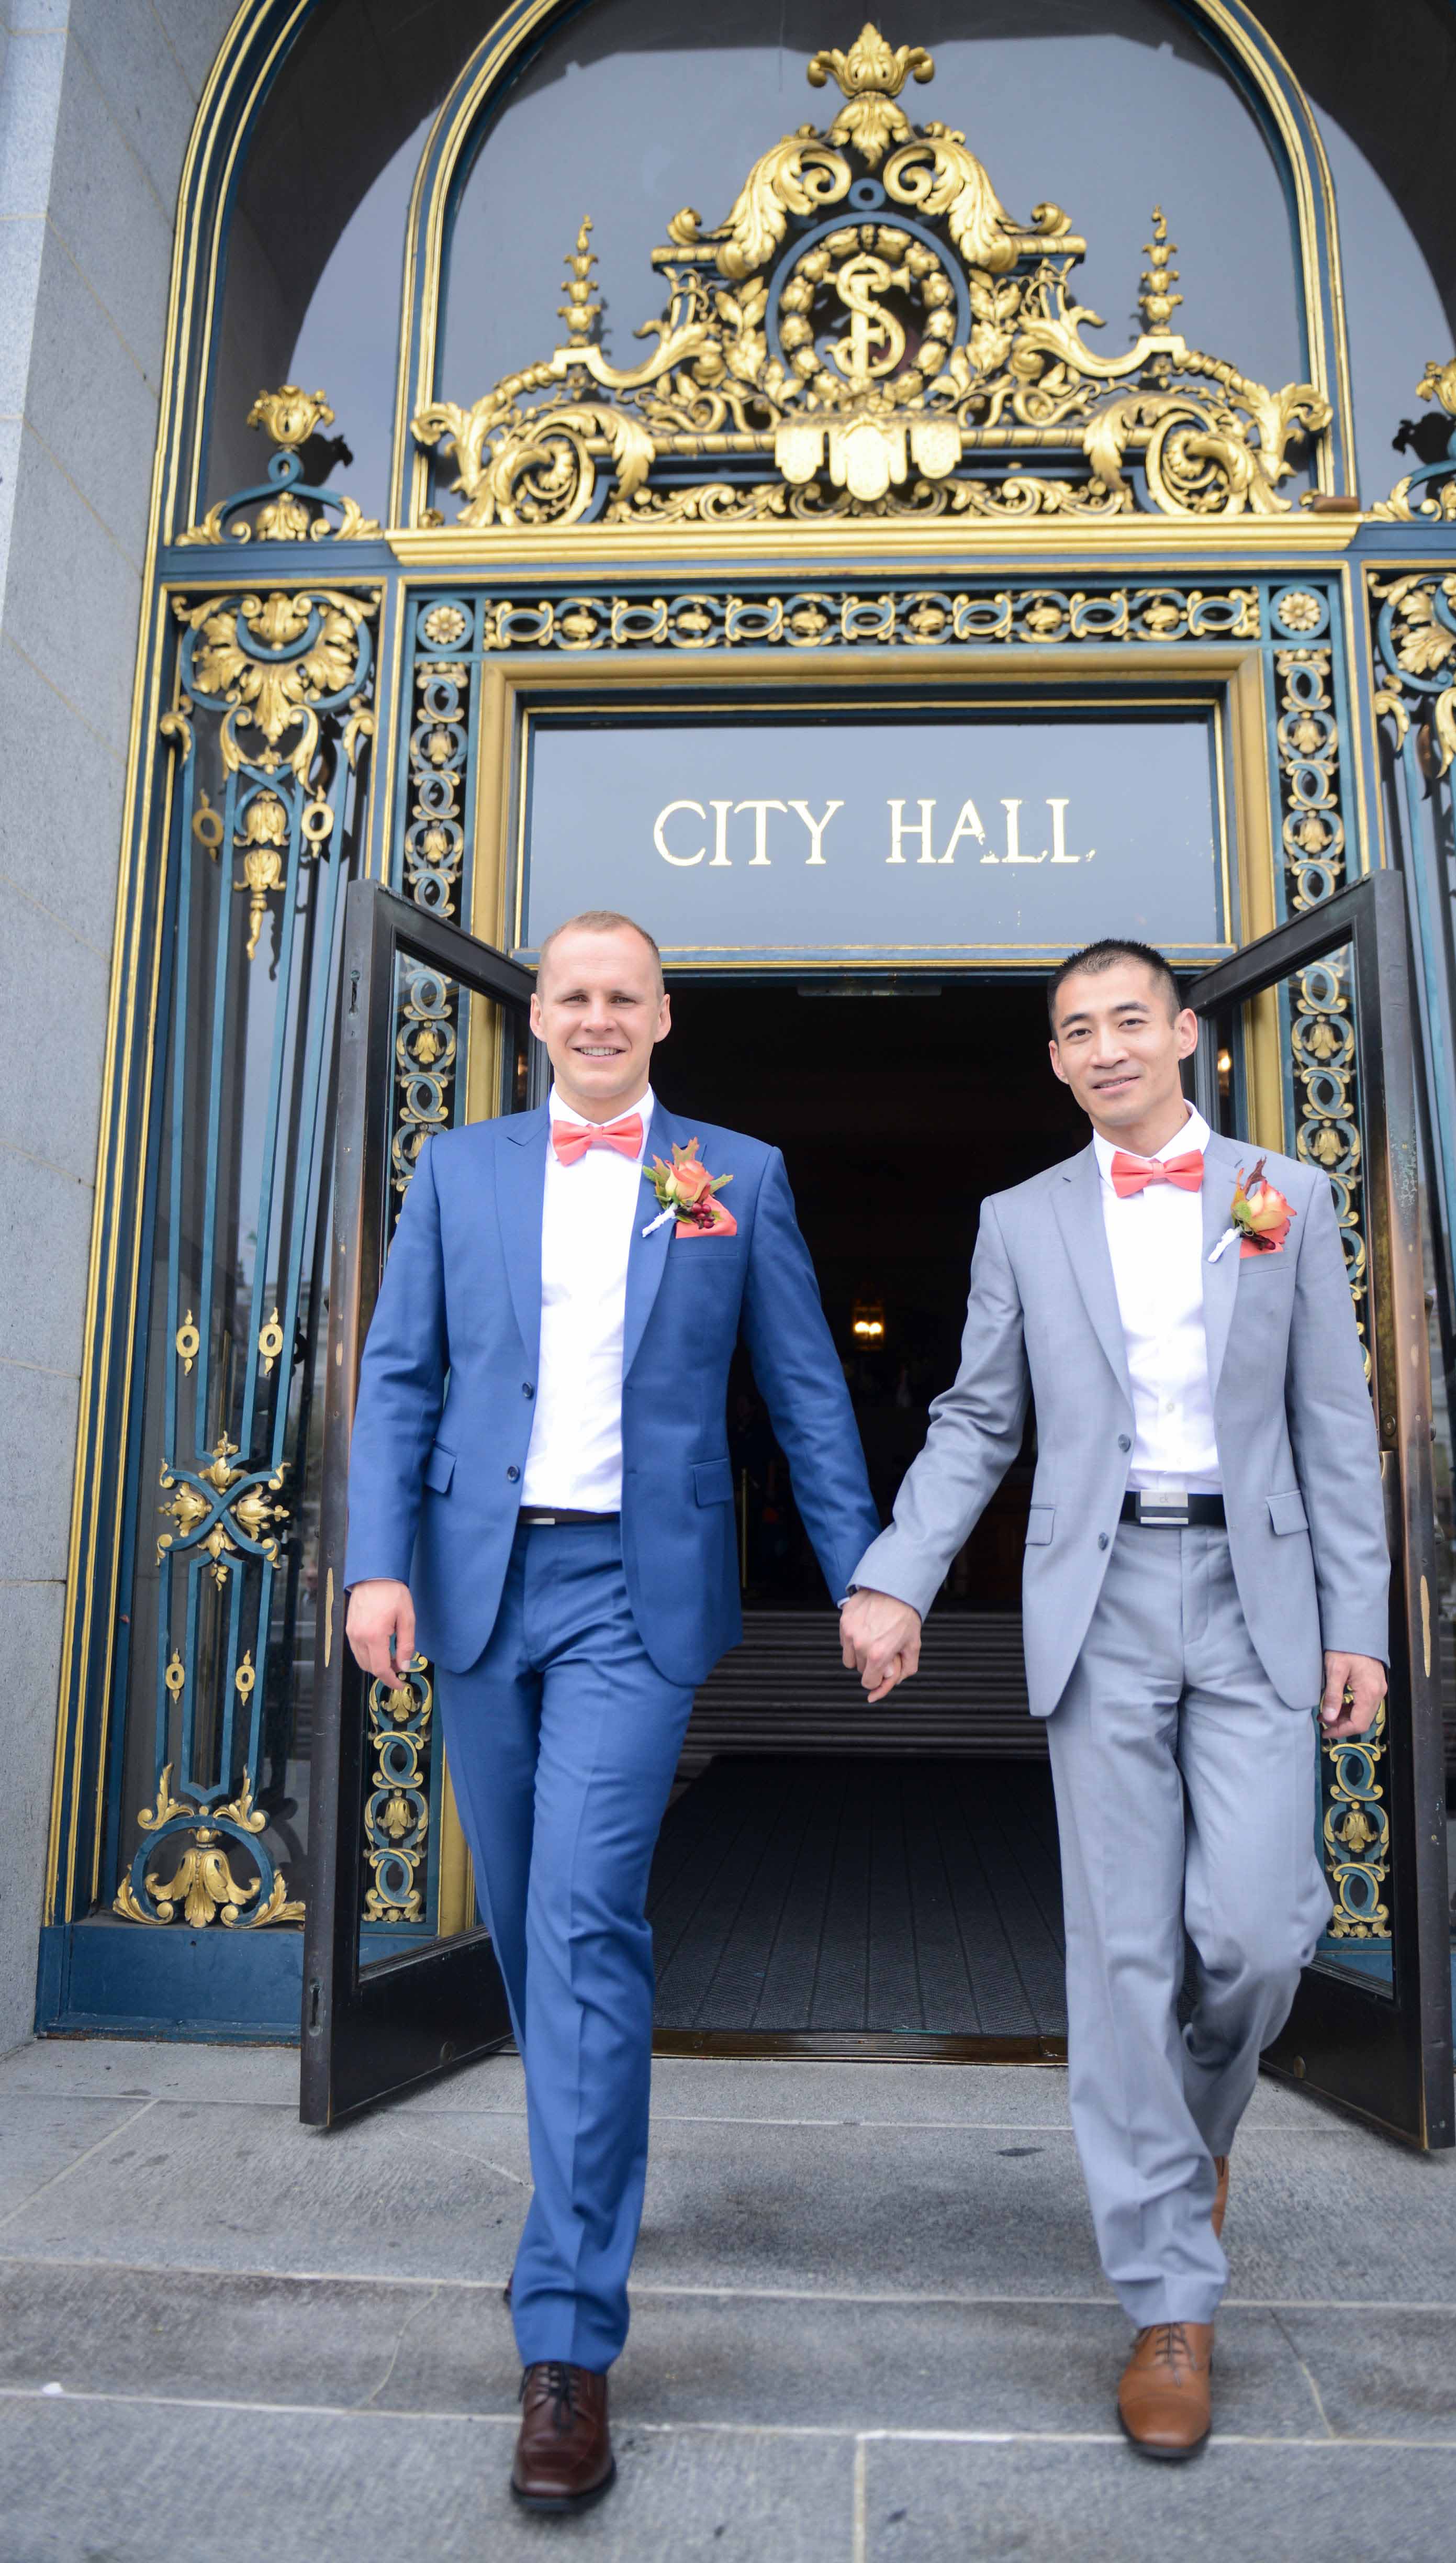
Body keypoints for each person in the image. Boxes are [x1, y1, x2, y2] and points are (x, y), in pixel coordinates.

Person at [344, 910, 877, 2513]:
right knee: (527, 1926)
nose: (594, 1017)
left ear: (663, 1016)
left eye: (620, 996)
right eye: (567, 996)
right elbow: (400, 1378)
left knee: (582, 1916)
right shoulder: (460, 1171)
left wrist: (867, 1576)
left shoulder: (738, 1175)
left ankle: (564, 2340)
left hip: (637, 1601)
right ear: (536, 1019)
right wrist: (377, 1565)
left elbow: (801, 1389)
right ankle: (593, 2156)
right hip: (471, 1583)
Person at [839, 936, 1388, 2461]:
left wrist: (1364, 1624)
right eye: (1072, 1031)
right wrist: (895, 1577)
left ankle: (1186, 2149)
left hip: (1257, 1595)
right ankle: (1166, 2296)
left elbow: (1336, 1425)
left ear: (1186, 1035)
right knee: (1125, 1948)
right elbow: (975, 1419)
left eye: (1124, 1021)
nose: (1100, 1049)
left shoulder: (1286, 1196)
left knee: (1259, 1936)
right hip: (1100, 1603)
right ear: (1057, 1060)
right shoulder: (1020, 1220)